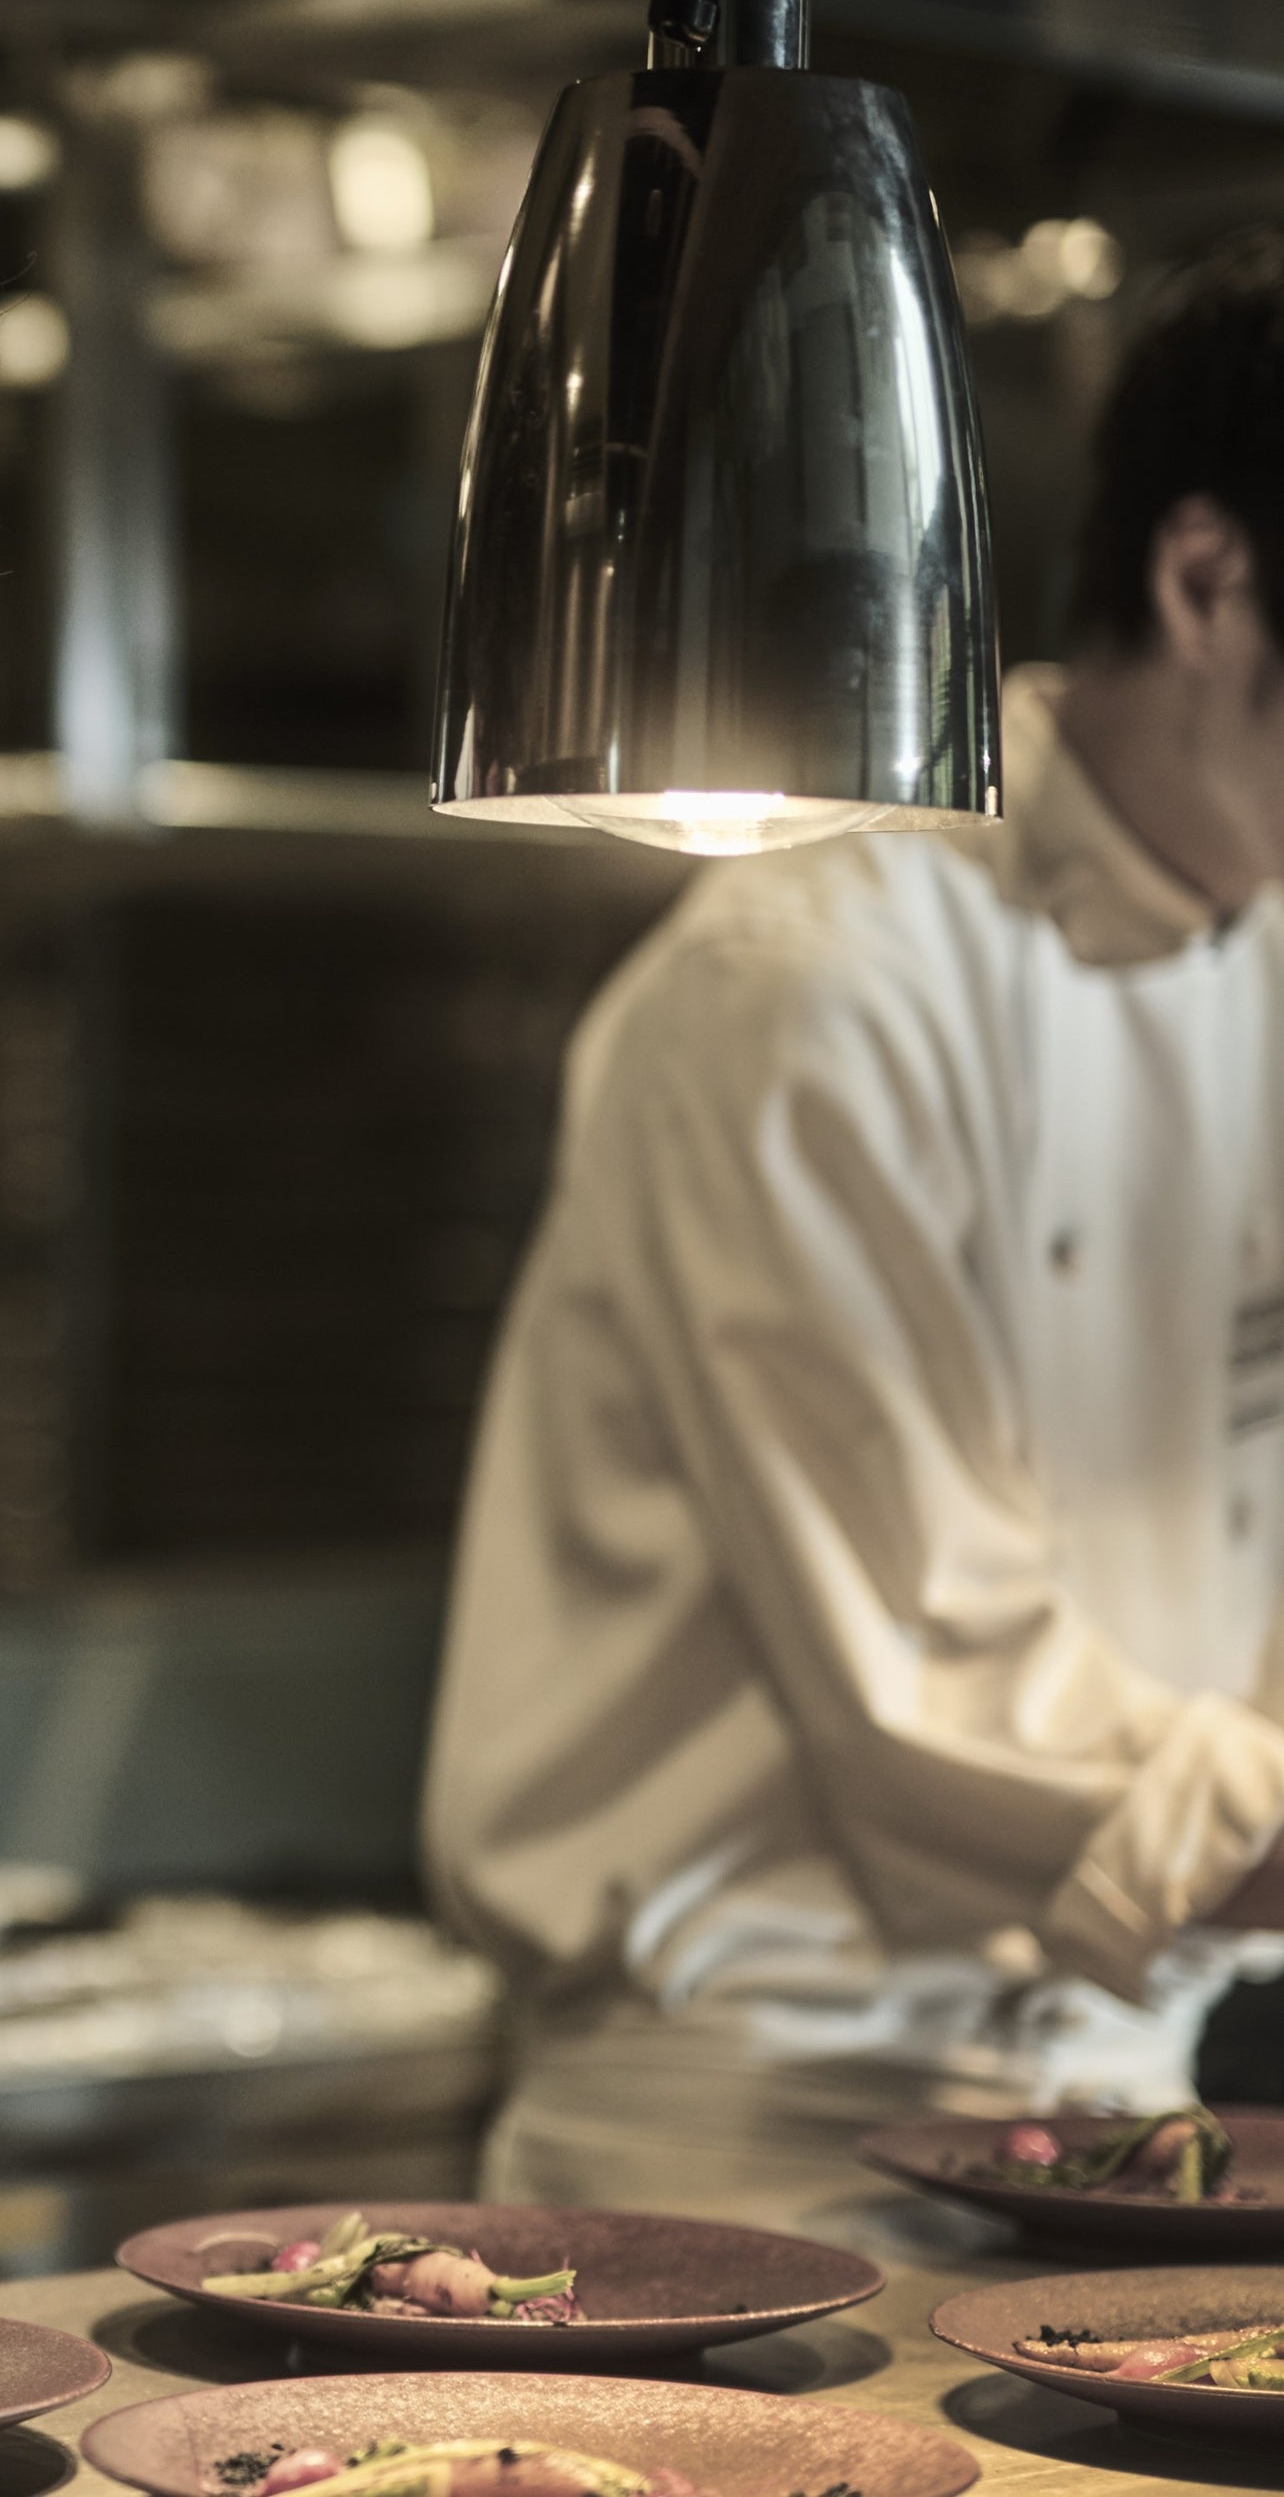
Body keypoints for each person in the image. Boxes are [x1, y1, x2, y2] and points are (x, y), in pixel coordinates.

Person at [424, 230, 1284, 2224]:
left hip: (1124, 2111)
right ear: (1208, 581)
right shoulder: (814, 985)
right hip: (752, 2157)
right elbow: (938, 1689)